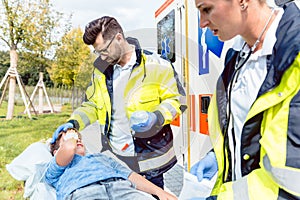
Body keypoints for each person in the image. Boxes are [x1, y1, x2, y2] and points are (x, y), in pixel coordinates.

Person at [51, 16, 186, 190]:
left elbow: (177, 100)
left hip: (149, 160)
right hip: (115, 158)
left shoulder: (157, 64)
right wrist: (73, 122)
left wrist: (156, 117)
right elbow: (92, 105)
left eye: (104, 50)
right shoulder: (101, 71)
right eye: (98, 52)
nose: (102, 56)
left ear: (119, 38)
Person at [191, 0, 300, 199]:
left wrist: (223, 197)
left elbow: (293, 178)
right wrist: (219, 156)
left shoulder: (295, 55)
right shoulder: (236, 56)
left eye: (206, 9)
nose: (202, 23)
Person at [45, 128, 177, 200]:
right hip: (84, 192)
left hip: (120, 188)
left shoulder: (101, 158)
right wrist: (71, 134)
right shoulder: (56, 168)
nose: (77, 140)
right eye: (70, 139)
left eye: (79, 139)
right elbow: (68, 149)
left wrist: (160, 192)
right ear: (56, 152)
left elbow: (130, 176)